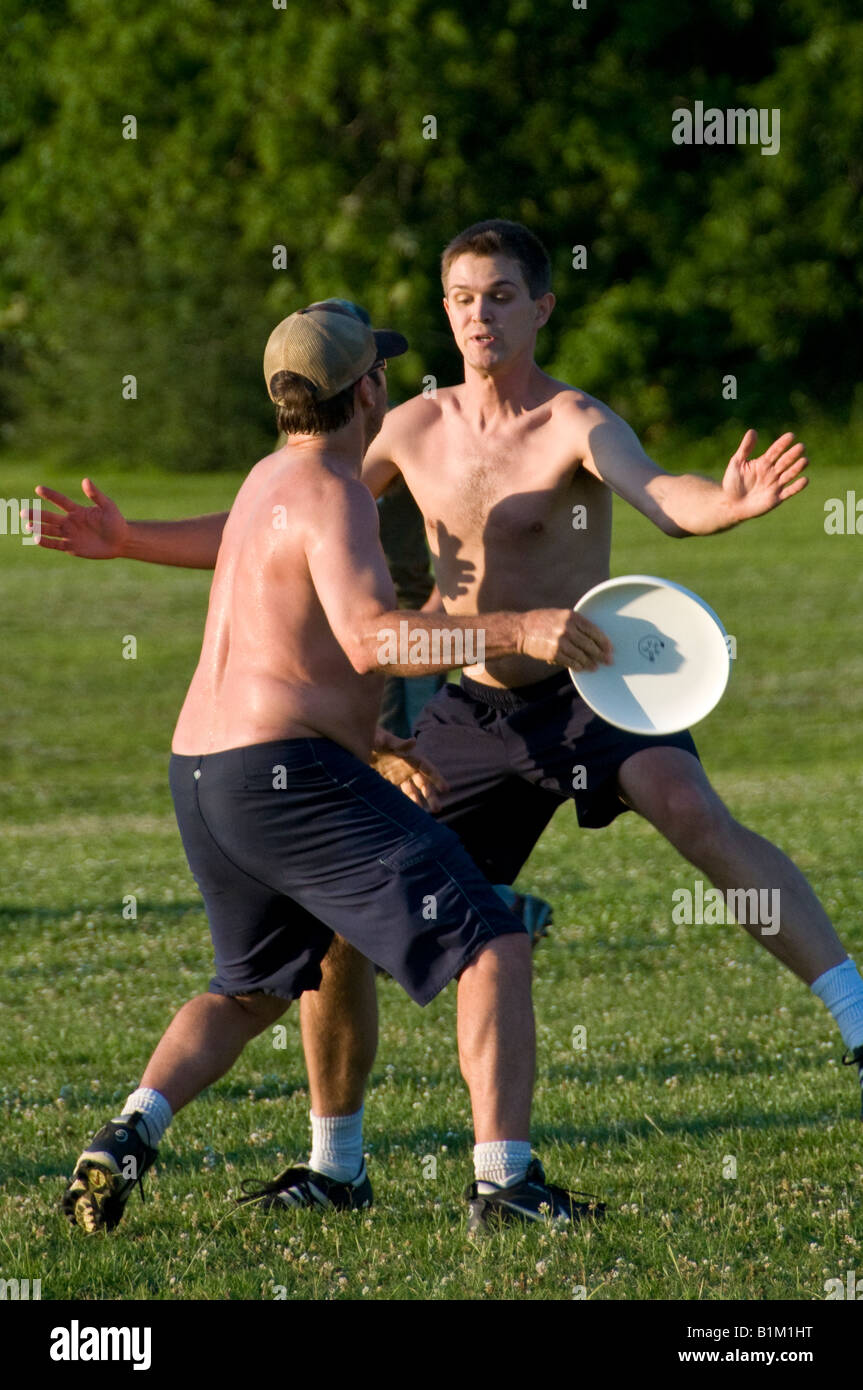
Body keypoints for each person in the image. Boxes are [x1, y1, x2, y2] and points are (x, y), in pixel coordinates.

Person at [34, 223, 863, 1193]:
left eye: (502, 294)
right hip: (470, 705)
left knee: (689, 810)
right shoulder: (409, 428)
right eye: (463, 296)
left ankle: (852, 1014)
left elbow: (659, 494)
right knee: (336, 925)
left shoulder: (572, 420)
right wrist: (134, 538)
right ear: (442, 313)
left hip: (587, 682)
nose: (480, 312)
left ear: (541, 307)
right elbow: (276, 517)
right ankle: (333, 1165)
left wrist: (719, 503)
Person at [59, 301, 612, 1237]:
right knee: (494, 944)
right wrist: (516, 628)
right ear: (367, 390)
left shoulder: (271, 478)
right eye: (384, 375)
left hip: (204, 775)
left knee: (253, 985)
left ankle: (127, 1135)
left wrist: (369, 742)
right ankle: (505, 1188)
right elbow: (371, 638)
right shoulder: (338, 492)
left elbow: (283, 616)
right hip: (282, 776)